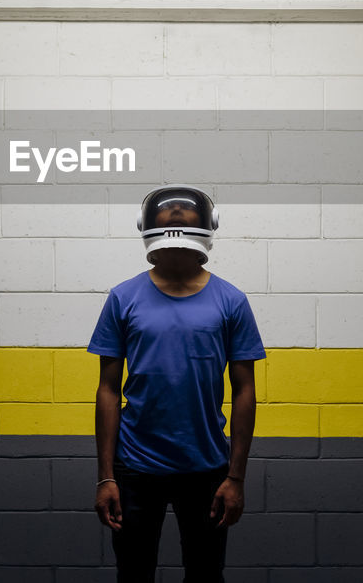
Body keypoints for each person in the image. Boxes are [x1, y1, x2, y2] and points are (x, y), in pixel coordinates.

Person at [88, 184, 266, 583]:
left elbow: (245, 392)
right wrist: (106, 476)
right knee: (133, 575)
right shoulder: (123, 298)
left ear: (207, 224)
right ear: (148, 224)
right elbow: (107, 390)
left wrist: (235, 477)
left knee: (205, 575)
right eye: (168, 215)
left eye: (184, 216)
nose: (176, 219)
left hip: (207, 468)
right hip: (135, 467)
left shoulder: (231, 301)